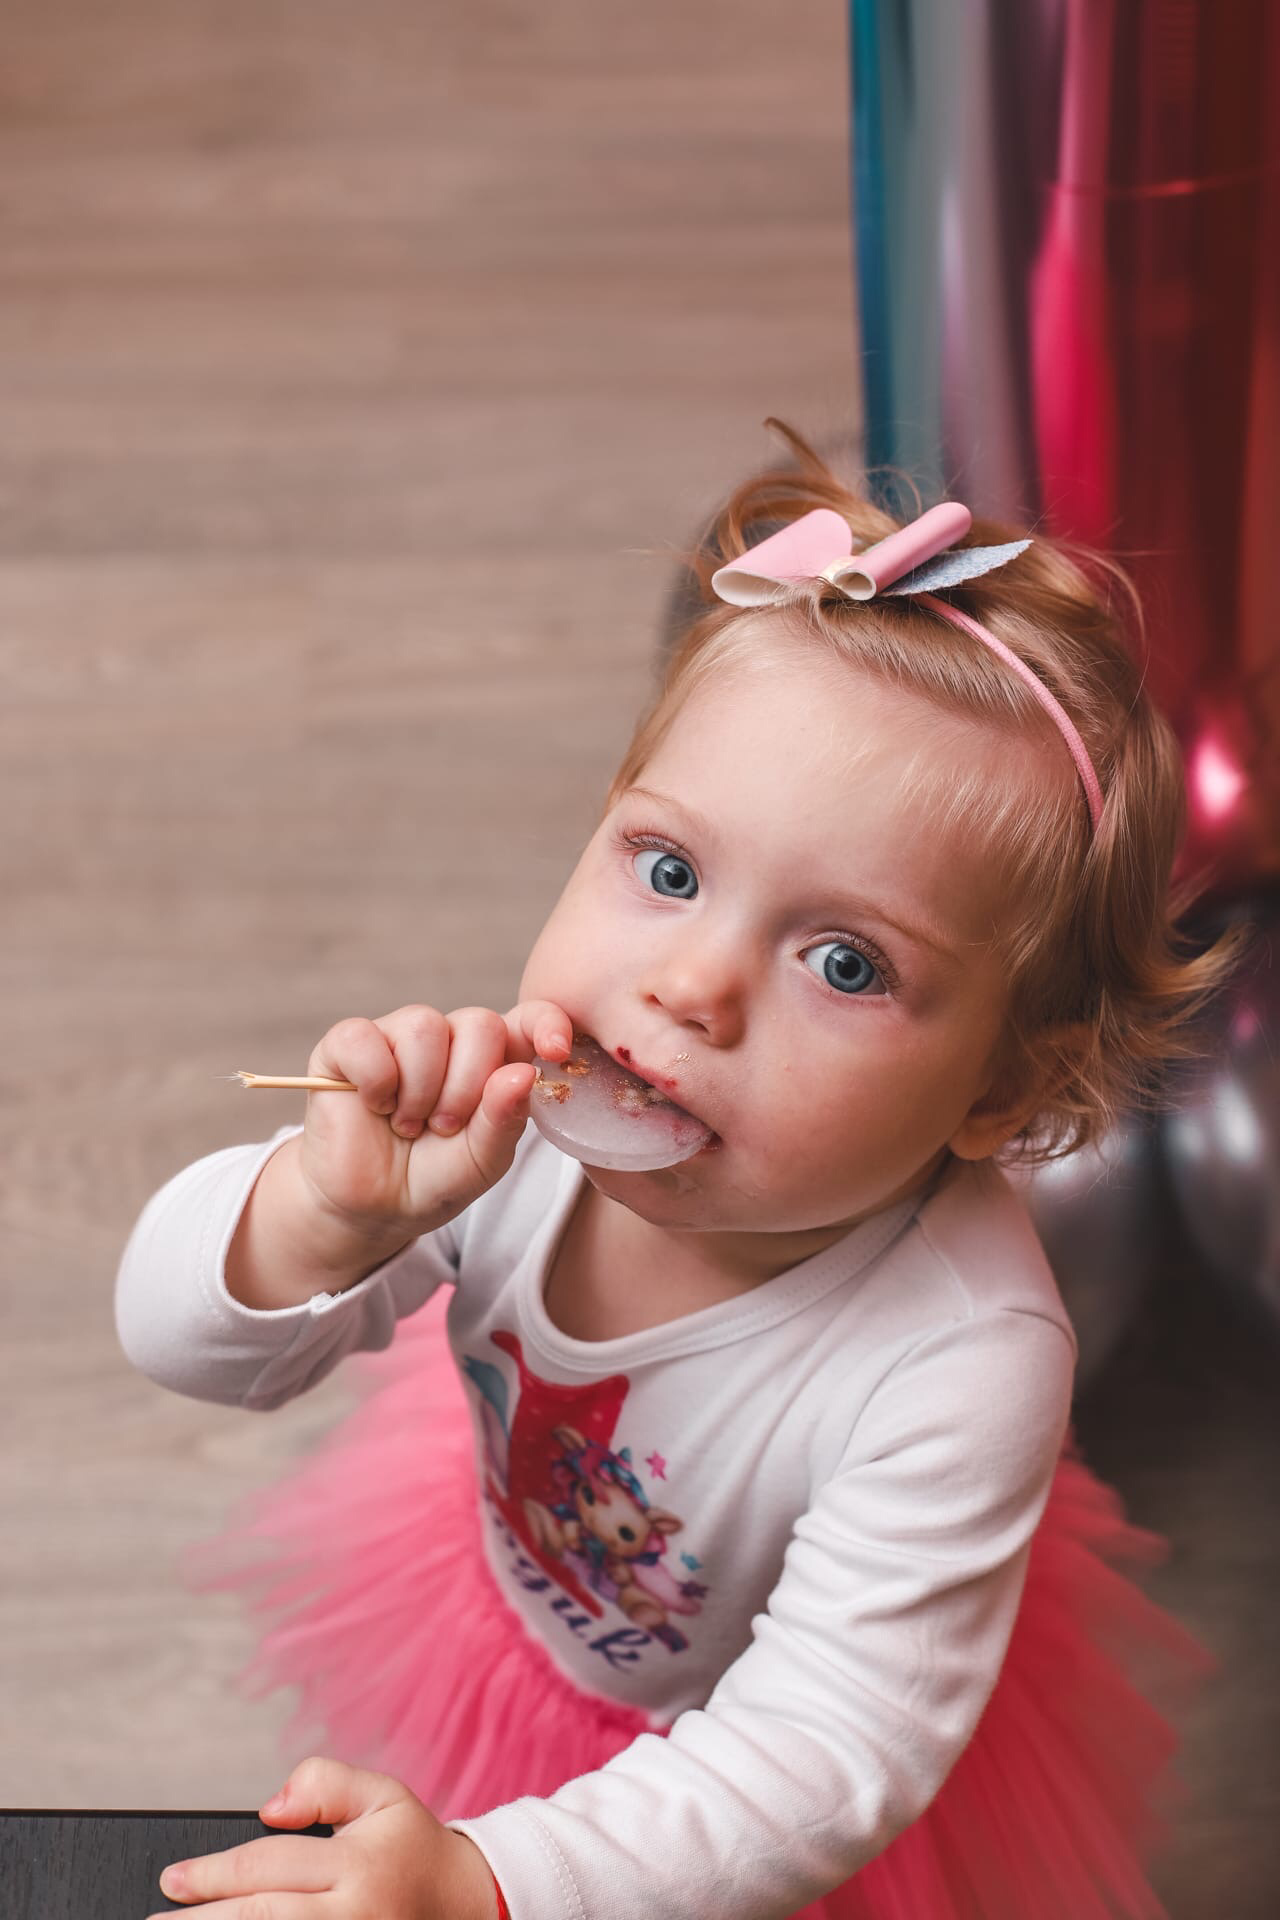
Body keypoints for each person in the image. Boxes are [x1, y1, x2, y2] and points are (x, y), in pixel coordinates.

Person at [116, 420, 1247, 1920]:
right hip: (519, 1595)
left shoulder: (962, 1363)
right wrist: (317, 1218)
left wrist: (491, 1883)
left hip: (740, 1777)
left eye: (845, 962)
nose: (691, 987)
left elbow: (817, 1754)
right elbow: (175, 1342)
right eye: (668, 871)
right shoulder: (502, 1124)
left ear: (999, 1091)